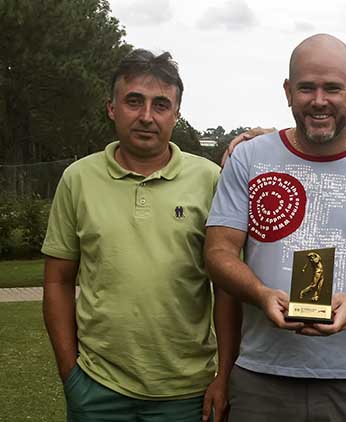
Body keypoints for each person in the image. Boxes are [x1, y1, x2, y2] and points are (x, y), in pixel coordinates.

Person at [204, 34, 346, 421]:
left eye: (332, 88)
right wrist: (259, 293)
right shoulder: (250, 158)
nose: (319, 100)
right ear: (288, 92)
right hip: (260, 375)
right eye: (306, 87)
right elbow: (219, 251)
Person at [42, 49, 237, 422]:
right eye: (134, 101)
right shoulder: (78, 179)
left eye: (161, 105)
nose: (147, 116)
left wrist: (224, 375)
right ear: (112, 107)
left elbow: (226, 290)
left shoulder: (209, 180)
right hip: (97, 389)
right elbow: (57, 281)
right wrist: (71, 375)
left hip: (187, 392)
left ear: (176, 114)